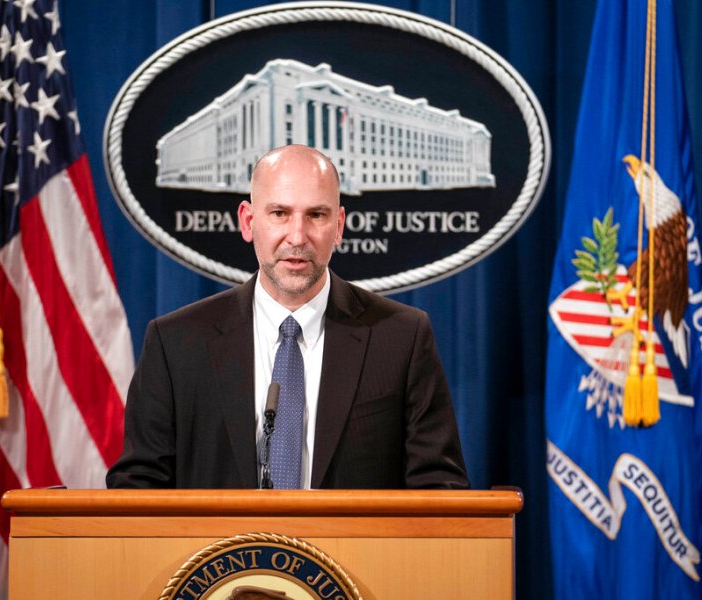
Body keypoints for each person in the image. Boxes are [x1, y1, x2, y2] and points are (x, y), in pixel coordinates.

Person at [107, 145, 468, 489]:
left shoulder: (400, 338)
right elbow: (138, 489)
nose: (297, 236)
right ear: (248, 222)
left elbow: (439, 490)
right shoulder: (176, 343)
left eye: (316, 215)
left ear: (339, 226)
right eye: (279, 213)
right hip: (220, 554)